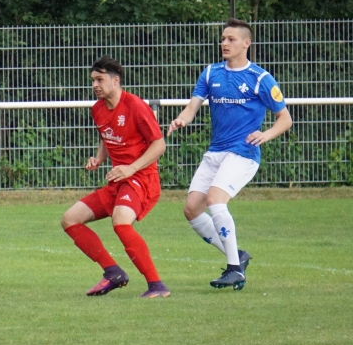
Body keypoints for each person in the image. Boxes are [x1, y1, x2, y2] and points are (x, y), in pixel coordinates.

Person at [167, 18, 292, 290]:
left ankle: (235, 269)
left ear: (246, 43)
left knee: (215, 200)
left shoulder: (260, 78)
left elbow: (285, 119)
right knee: (191, 209)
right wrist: (181, 120)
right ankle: (238, 256)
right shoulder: (211, 73)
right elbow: (192, 107)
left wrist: (265, 134)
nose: (224, 43)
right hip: (216, 152)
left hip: (243, 153)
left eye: (231, 39)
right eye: (223, 38)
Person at [61, 57, 169, 298]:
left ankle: (157, 285)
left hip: (141, 178)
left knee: (120, 221)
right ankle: (112, 272)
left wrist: (130, 168)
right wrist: (99, 158)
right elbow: (107, 136)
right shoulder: (97, 109)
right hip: (118, 181)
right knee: (70, 219)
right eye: (92, 80)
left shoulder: (136, 106)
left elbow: (159, 145)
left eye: (100, 80)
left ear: (115, 80)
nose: (95, 85)